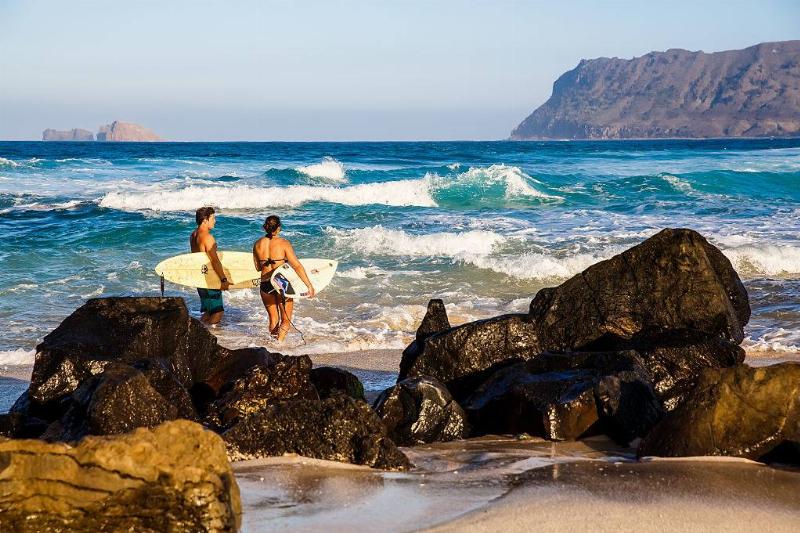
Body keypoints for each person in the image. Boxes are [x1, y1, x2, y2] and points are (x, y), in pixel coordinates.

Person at [253, 215, 315, 341]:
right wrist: (309, 285)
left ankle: (273, 345)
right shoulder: (284, 243)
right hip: (280, 283)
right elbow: (297, 266)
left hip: (265, 283)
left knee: (273, 319)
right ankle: (279, 344)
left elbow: (258, 268)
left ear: (265, 228)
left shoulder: (257, 244)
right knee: (286, 320)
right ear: (279, 228)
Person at [190, 206, 230, 325]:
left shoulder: (193, 235)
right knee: (218, 312)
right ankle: (208, 336)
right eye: (213, 218)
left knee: (208, 311)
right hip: (209, 279)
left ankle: (199, 332)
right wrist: (223, 279)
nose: (215, 221)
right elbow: (214, 261)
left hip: (200, 277)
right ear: (205, 220)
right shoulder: (207, 237)